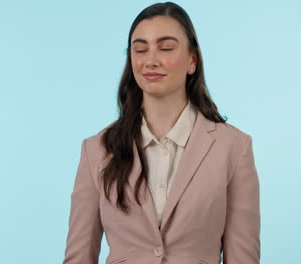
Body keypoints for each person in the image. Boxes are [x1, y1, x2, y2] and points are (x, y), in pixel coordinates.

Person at [62, 2, 260, 264]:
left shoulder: (234, 147)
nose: (150, 60)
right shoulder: (97, 149)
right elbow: (79, 256)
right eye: (140, 49)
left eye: (166, 48)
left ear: (192, 60)